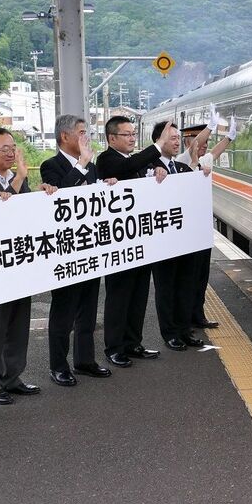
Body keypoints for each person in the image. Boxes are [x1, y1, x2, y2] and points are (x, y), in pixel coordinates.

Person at [0, 127, 55, 405]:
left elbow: (25, 211)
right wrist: (19, 178)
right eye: (4, 148)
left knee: (19, 322)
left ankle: (12, 376)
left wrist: (42, 193)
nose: (10, 152)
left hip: (19, 260)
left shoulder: (15, 178)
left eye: (12, 147)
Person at [39, 115, 115, 386]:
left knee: (88, 308)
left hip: (90, 247)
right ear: (65, 137)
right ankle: (58, 366)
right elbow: (61, 196)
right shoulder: (51, 165)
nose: (86, 138)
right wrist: (82, 163)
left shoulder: (92, 168)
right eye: (82, 133)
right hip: (66, 250)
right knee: (63, 310)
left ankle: (85, 360)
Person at [96, 116, 163, 367]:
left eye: (134, 133)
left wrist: (159, 169)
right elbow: (132, 165)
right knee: (119, 295)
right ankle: (114, 347)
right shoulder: (107, 160)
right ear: (112, 138)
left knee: (139, 293)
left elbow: (145, 166)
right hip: (118, 242)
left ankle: (133, 342)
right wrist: (157, 147)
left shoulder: (133, 161)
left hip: (140, 238)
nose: (133, 138)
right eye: (127, 134)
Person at [175, 105, 238, 332]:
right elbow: (195, 144)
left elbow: (217, 150)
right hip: (185, 232)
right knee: (188, 278)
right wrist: (210, 127)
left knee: (201, 277)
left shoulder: (205, 161)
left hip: (202, 230)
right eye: (199, 143)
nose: (203, 147)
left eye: (204, 144)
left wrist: (229, 137)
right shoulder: (184, 161)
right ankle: (185, 319)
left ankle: (198, 314)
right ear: (188, 142)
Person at [147, 121, 202, 351]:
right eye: (172, 138)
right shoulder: (149, 167)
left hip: (184, 241)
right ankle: (169, 332)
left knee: (185, 286)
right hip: (162, 242)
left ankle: (184, 329)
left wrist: (201, 171)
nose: (177, 142)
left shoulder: (180, 168)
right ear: (159, 140)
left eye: (178, 138)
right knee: (166, 288)